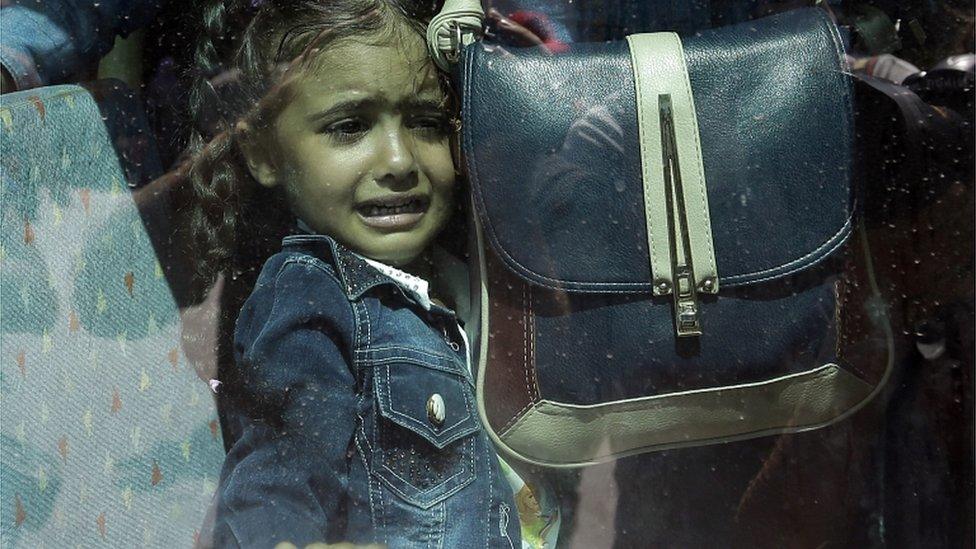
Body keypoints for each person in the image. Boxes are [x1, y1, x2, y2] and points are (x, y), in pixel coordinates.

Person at [184, 0, 523, 546]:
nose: (399, 160)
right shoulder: (310, 295)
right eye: (349, 127)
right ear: (262, 152)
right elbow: (280, 467)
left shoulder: (474, 283)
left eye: (426, 123)